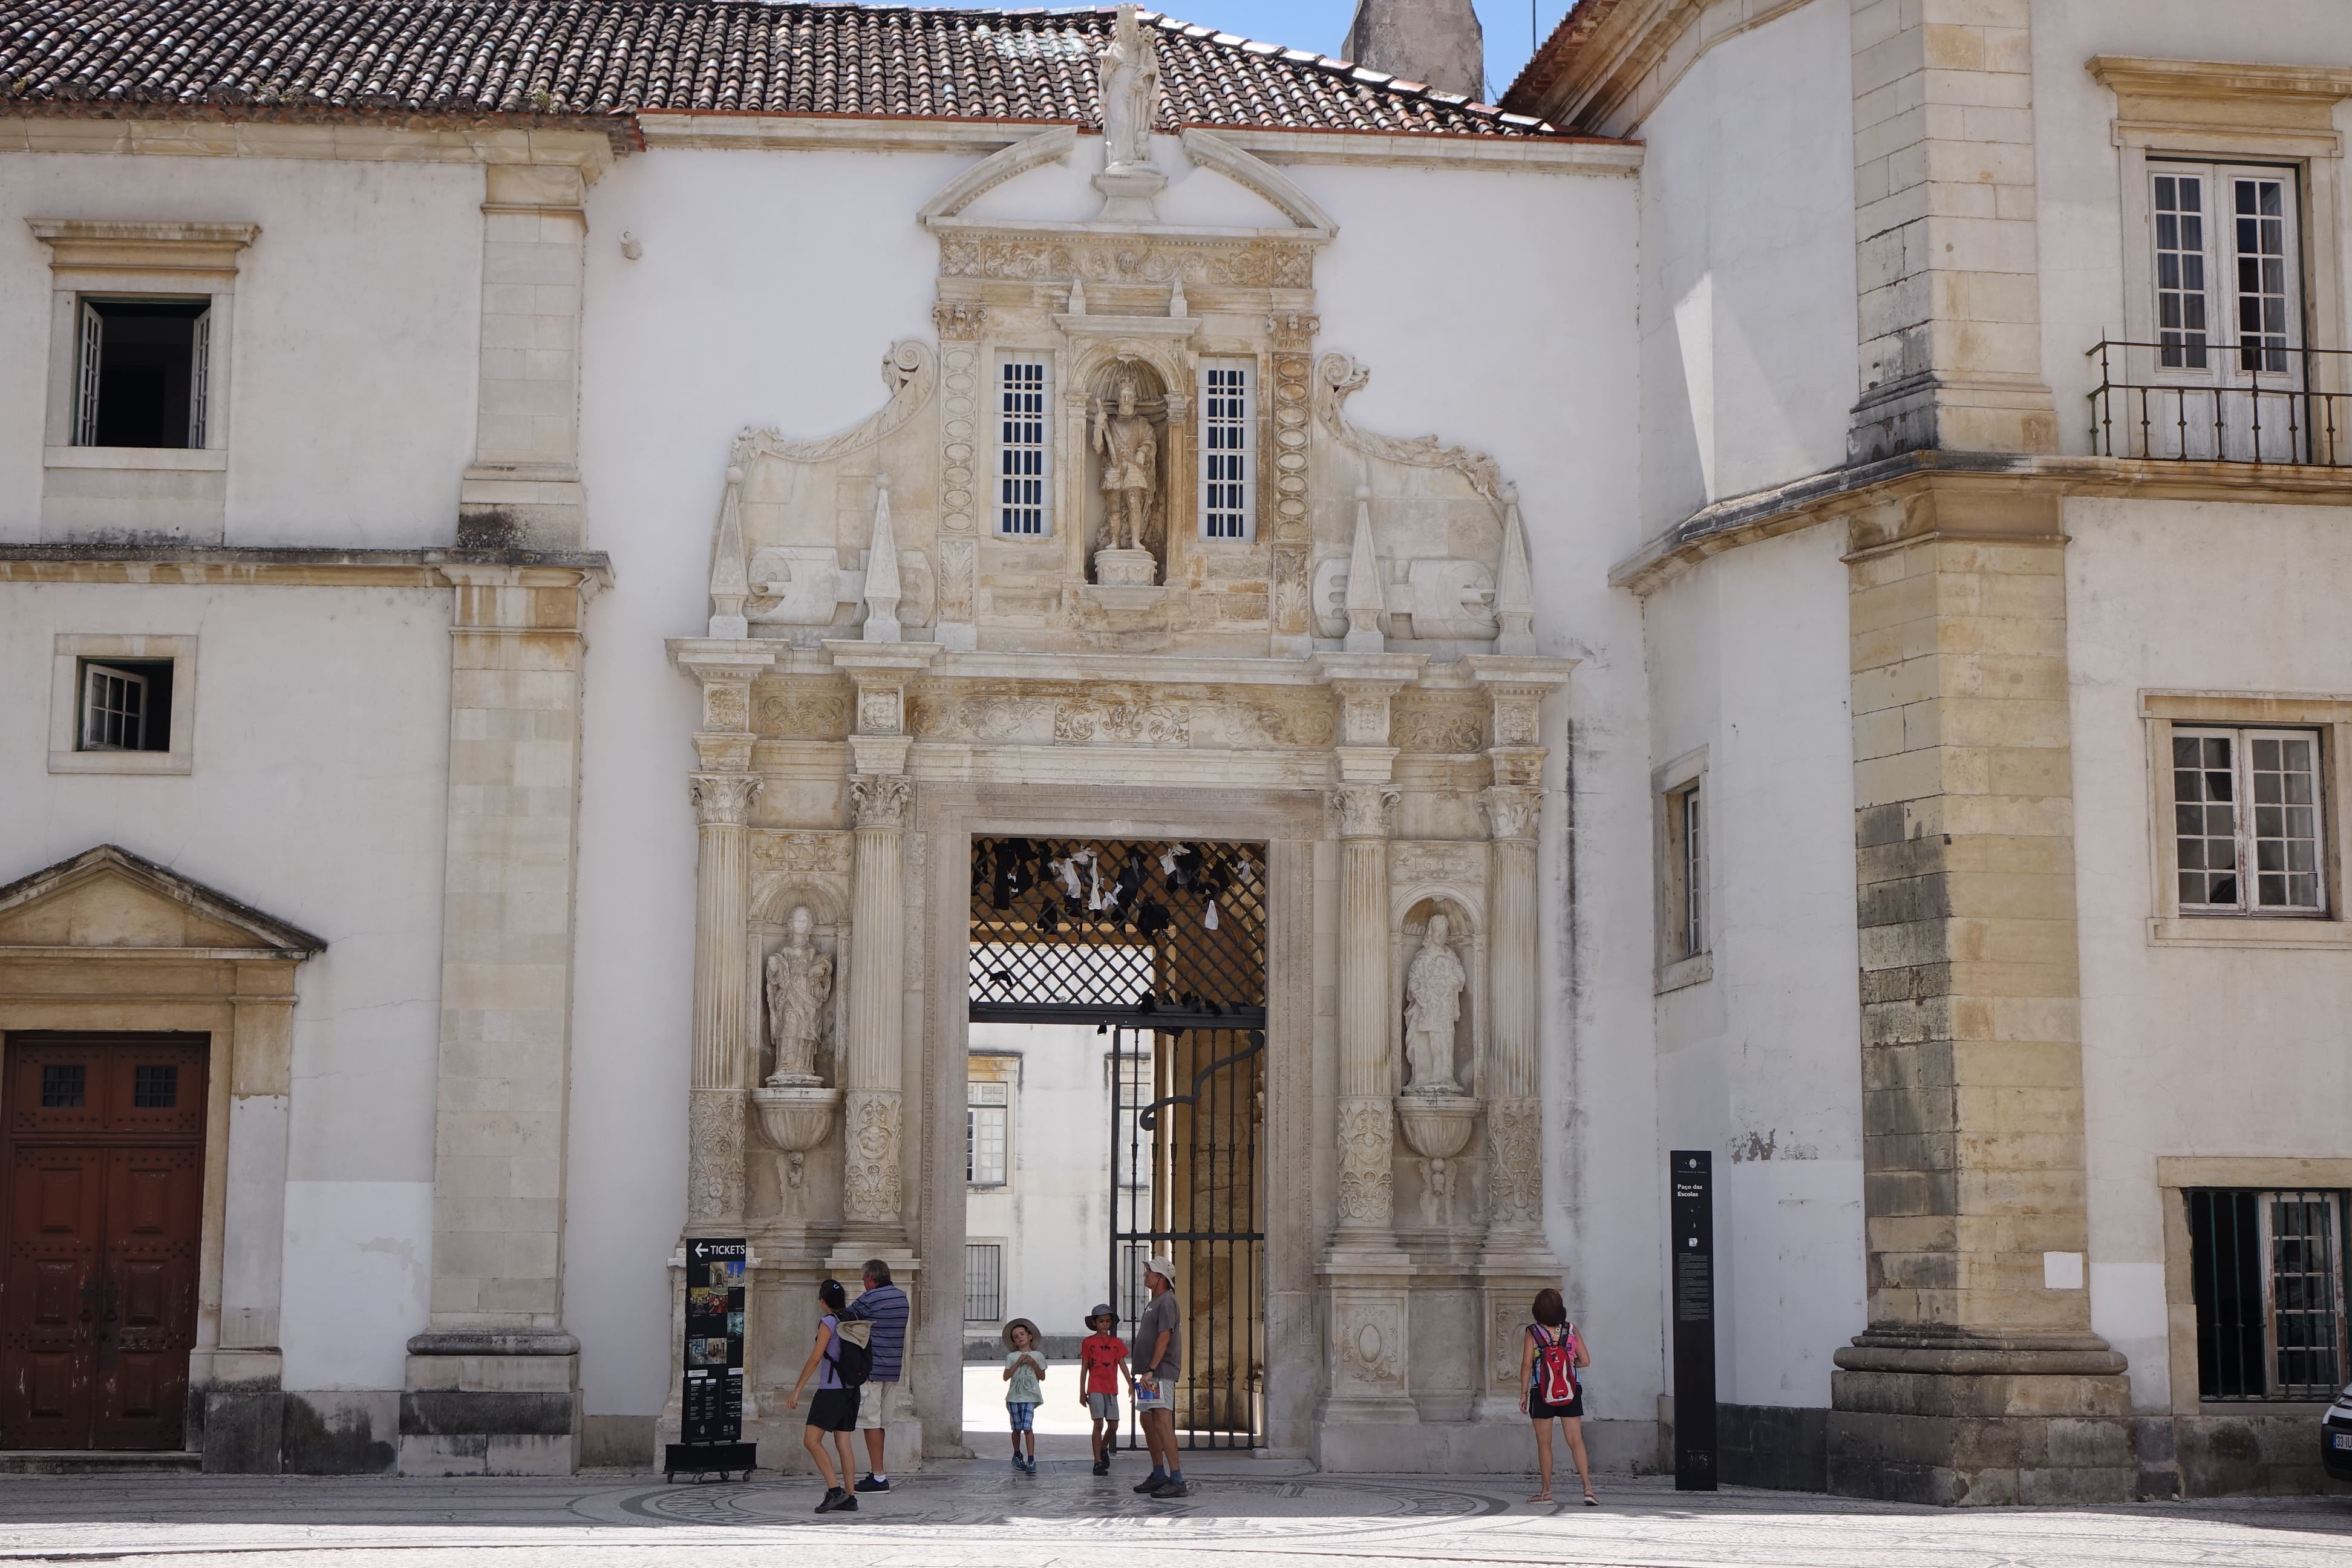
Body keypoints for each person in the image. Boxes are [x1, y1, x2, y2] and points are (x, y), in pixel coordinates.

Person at [784, 1278, 860, 1514]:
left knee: (811, 1440)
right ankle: (850, 1497)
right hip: (852, 1390)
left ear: (823, 1301)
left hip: (831, 1392)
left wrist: (797, 1389)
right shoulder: (852, 1319)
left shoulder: (828, 1322)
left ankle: (834, 1490)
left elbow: (816, 1358)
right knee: (843, 1443)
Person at [1518, 1285, 1595, 1506]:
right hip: (1571, 1390)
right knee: (1576, 1440)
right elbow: (1586, 1361)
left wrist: (1523, 1393)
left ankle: (1546, 1492)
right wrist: (1570, 1366)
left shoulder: (1532, 1332)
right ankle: (1588, 1488)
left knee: (1544, 1442)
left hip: (1541, 1391)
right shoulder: (1571, 1330)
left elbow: (1526, 1365)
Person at [844, 1258, 909, 1493]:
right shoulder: (901, 1297)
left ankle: (879, 1477)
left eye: (863, 1278)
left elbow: (846, 1317)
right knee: (880, 1423)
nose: (863, 1282)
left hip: (872, 1370)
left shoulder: (870, 1299)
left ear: (871, 1278)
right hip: (892, 1369)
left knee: (870, 1422)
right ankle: (877, 1471)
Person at [1130, 1255, 1186, 1499]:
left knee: (1162, 1422)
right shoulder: (1155, 1302)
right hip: (1148, 1374)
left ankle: (1177, 1479)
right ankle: (1158, 1474)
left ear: (1161, 1277)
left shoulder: (1167, 1302)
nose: (1145, 1274)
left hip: (1159, 1372)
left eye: (1149, 1271)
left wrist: (1152, 1367)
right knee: (1147, 1421)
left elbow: (1165, 1337)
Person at [1077, 1302, 1134, 1476]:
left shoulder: (1116, 1343)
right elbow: (1085, 1367)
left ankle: (1103, 1447)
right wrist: (1082, 1391)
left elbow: (1122, 1364)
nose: (1104, 1324)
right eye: (1101, 1321)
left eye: (1107, 1321)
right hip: (1095, 1386)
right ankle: (1098, 1461)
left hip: (1112, 1388)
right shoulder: (1088, 1342)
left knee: (1114, 1425)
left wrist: (1130, 1384)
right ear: (1095, 1323)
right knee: (1099, 1423)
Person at [1002, 1317, 1046, 1473]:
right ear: (1014, 1342)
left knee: (1028, 1428)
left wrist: (1033, 1363)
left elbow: (1042, 1376)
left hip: (1030, 1397)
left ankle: (1031, 1459)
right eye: (1016, 1337)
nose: (1020, 1338)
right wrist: (1018, 1362)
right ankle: (1017, 1454)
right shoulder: (1012, 1357)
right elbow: (1006, 1376)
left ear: (1030, 1336)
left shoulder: (1038, 1356)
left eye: (1022, 1334)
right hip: (1014, 1397)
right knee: (1016, 1429)